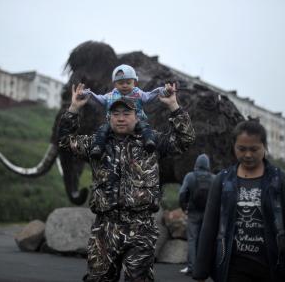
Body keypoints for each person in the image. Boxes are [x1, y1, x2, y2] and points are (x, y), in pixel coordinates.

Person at [58, 82, 195, 282]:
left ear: (137, 115)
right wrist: (74, 108)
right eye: (115, 114)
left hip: (141, 228)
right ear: (109, 116)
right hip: (105, 228)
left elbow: (185, 139)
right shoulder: (96, 144)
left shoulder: (152, 142)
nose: (121, 118)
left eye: (126, 113)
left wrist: (173, 106)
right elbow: (65, 141)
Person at [193, 120, 285, 282]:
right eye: (242, 149)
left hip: (273, 267)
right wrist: (201, 269)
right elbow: (209, 224)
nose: (248, 155)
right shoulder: (221, 180)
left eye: (254, 149)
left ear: (264, 147)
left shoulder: (280, 180)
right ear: (234, 147)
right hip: (232, 269)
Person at [80, 64, 173, 159]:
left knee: (145, 127)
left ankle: (149, 141)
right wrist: (89, 93)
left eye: (128, 83)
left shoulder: (138, 93)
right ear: (115, 84)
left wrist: (163, 91)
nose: (125, 85)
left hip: (137, 122)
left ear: (134, 82)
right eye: (121, 83)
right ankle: (97, 147)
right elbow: (100, 99)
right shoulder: (111, 95)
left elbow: (149, 96)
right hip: (113, 126)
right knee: (102, 130)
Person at [178, 153, 215, 276]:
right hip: (209, 214)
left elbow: (182, 193)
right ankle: (206, 268)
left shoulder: (190, 176)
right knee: (206, 240)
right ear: (208, 165)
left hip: (193, 213)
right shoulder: (213, 178)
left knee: (192, 240)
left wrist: (184, 208)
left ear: (196, 163)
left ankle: (192, 268)